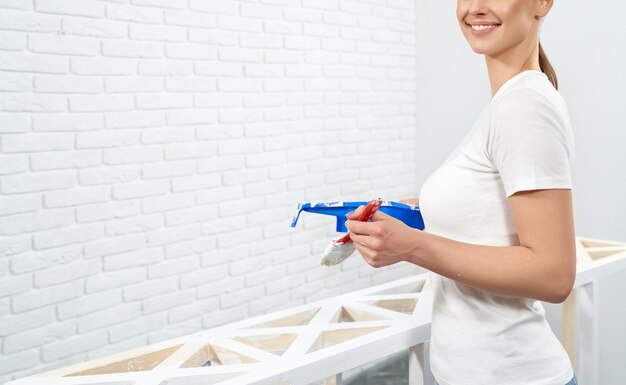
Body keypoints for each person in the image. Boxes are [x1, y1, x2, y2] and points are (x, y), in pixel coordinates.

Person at [345, 0, 578, 384]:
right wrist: (415, 211)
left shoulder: (524, 106)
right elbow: (491, 214)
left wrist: (411, 246)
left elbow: (553, 276)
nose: (474, 7)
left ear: (542, 3)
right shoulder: (510, 102)